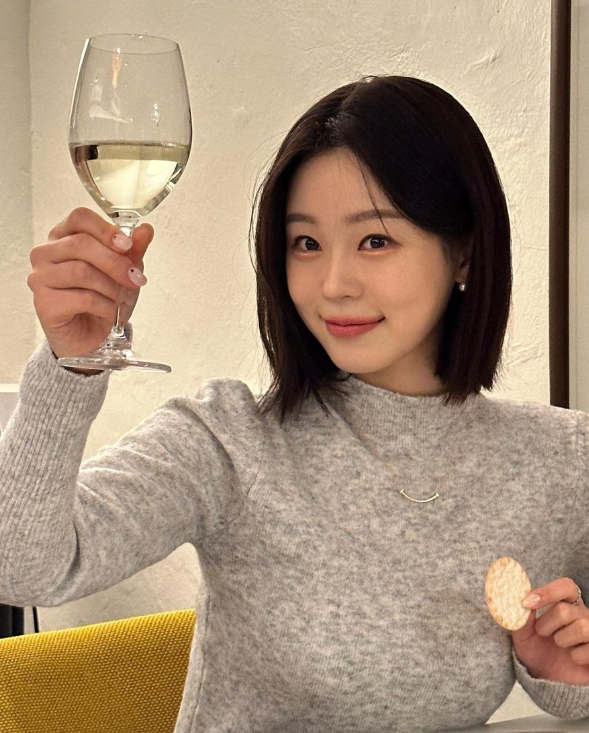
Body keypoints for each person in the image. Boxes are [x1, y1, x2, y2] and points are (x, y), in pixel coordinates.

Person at [1, 73, 589, 733]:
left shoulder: (562, 461)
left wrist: (565, 677)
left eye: (374, 240)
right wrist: (70, 365)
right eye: (305, 243)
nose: (332, 284)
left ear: (464, 254)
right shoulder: (228, 442)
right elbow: (22, 567)